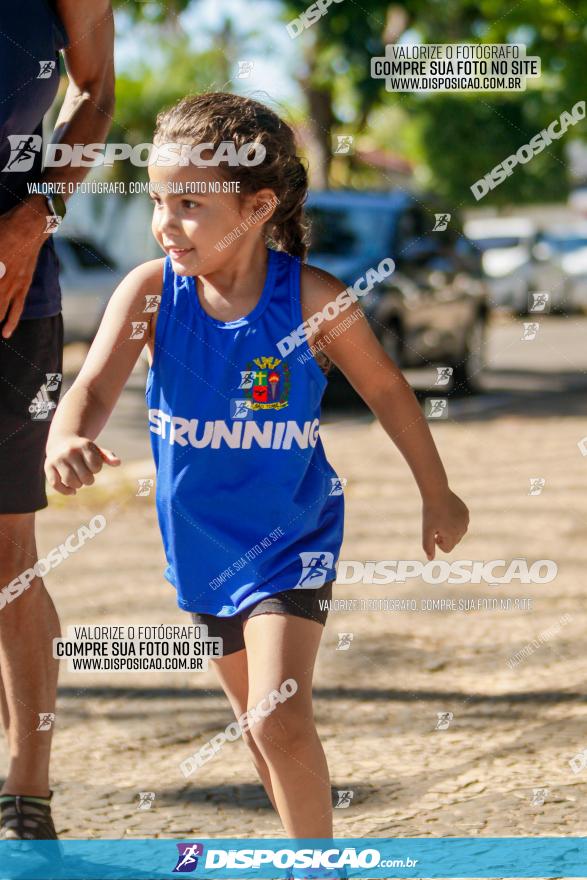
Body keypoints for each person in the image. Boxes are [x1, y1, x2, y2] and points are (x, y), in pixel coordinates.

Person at [44, 92, 468, 872]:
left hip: (290, 539)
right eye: (157, 203)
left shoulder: (309, 299)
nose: (166, 223)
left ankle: (316, 864)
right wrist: (69, 434)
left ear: (257, 206)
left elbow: (386, 392)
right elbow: (93, 388)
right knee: (256, 728)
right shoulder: (148, 292)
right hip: (201, 548)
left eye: (190, 205)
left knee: (277, 715)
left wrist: (435, 492)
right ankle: (304, 848)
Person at [0, 0, 114, 841]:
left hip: (9, 292)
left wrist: (36, 215)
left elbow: (96, 91)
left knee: (6, 548)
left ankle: (24, 795)